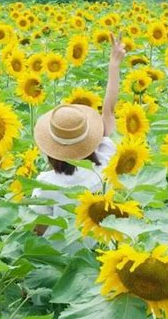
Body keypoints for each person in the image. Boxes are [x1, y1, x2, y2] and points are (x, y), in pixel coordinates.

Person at [31, 33, 126, 238]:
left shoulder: (44, 185)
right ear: (90, 139)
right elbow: (109, 110)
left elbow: (38, 232)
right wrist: (114, 63)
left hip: (56, 262)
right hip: (98, 255)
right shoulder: (104, 165)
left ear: (50, 150)